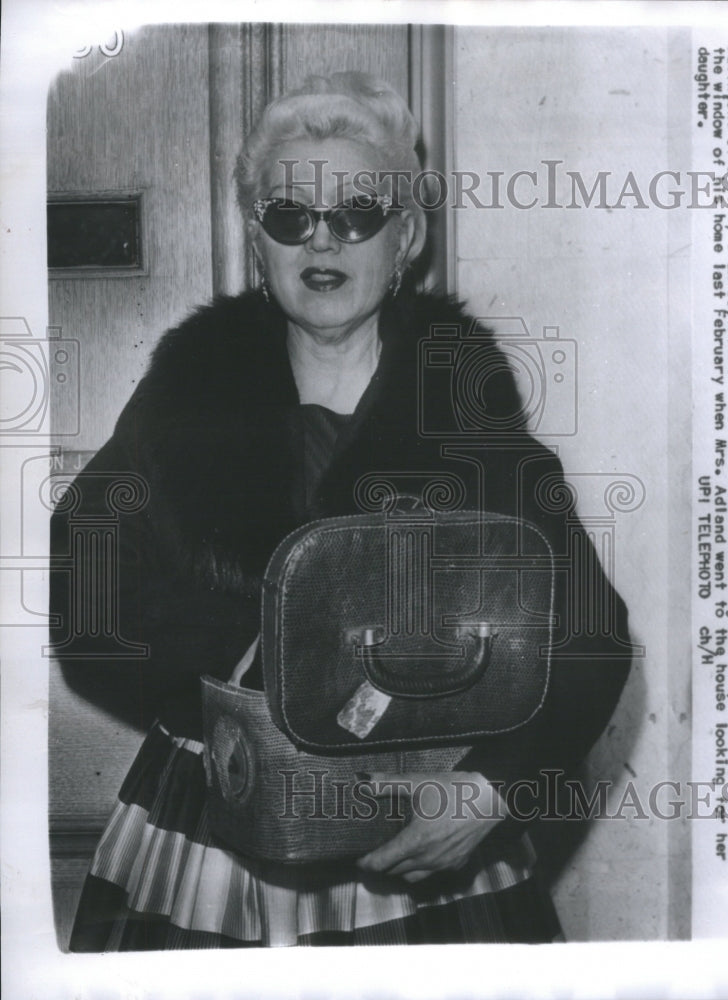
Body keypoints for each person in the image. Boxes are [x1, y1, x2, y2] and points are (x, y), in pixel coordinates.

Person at [50, 71, 632, 949]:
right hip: (216, 829)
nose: (322, 239)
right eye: (289, 214)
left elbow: (593, 635)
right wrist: (237, 691)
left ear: (405, 239)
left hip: (427, 829)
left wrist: (494, 790)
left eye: (358, 212)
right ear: (257, 237)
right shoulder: (185, 398)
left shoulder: (465, 410)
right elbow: (84, 598)